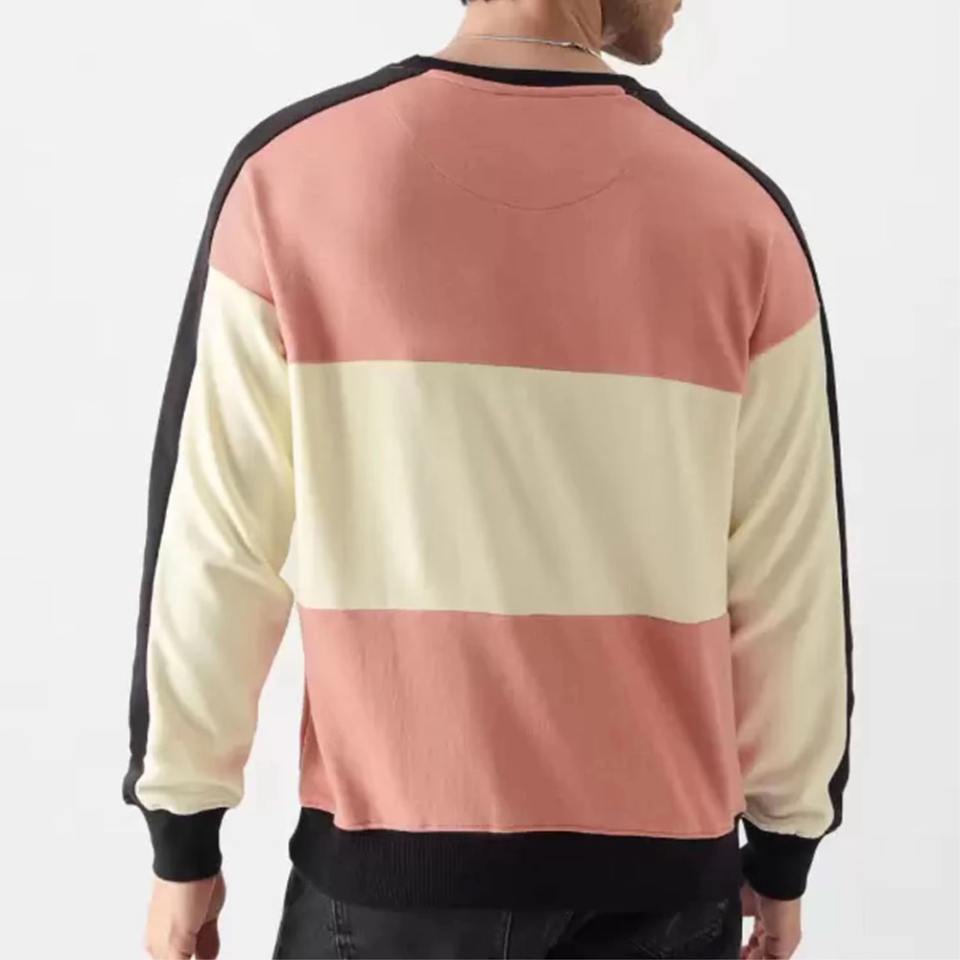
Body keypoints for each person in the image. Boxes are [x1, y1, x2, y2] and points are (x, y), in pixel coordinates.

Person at [122, 0, 855, 957]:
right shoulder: (741, 217)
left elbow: (218, 547)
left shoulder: (292, 179)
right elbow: (790, 578)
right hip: (661, 889)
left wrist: (183, 840)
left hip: (389, 887)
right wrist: (785, 842)